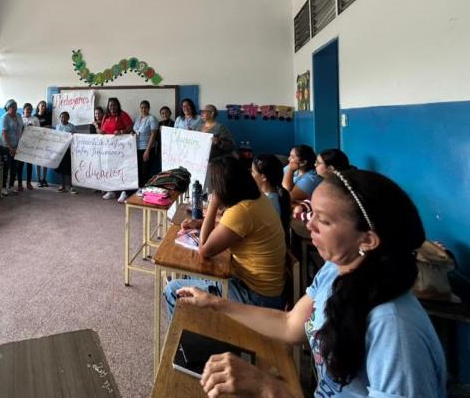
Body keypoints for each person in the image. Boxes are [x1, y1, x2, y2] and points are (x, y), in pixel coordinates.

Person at [177, 169, 447, 398]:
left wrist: (269, 388)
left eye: (324, 220)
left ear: (367, 240)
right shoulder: (335, 270)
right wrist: (216, 303)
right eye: (311, 212)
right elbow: (290, 325)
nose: (309, 225)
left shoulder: (394, 327)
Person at [163, 156, 286, 317]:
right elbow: (230, 227)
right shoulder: (256, 198)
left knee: (173, 290)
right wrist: (200, 223)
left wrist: (214, 203)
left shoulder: (241, 211)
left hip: (256, 298)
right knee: (190, 271)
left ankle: (193, 331)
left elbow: (204, 249)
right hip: (262, 288)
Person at [99, 97, 133, 201]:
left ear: (118, 105)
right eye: (110, 105)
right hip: (109, 149)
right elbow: (103, 130)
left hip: (121, 149)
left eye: (114, 105)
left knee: (122, 169)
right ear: (108, 107)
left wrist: (122, 132)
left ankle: (124, 192)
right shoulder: (106, 116)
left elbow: (130, 127)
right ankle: (112, 191)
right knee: (111, 169)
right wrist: (102, 132)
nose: (112, 107)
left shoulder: (123, 114)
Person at [250, 154, 291, 239]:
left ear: (263, 177)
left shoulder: (266, 202)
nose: (250, 174)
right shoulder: (277, 195)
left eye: (252, 172)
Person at [129, 100, 159, 202]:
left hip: (147, 148)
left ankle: (146, 193)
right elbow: (135, 130)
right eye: (142, 107)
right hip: (137, 148)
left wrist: (147, 151)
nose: (143, 109)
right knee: (139, 171)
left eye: (145, 107)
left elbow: (153, 135)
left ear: (149, 108)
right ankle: (141, 190)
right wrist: (132, 133)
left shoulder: (152, 119)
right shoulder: (139, 118)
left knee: (145, 171)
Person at [0, 99, 24, 194]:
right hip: (6, 146)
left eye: (16, 106)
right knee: (6, 167)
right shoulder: (5, 117)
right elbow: (4, 134)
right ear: (8, 108)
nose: (15, 108)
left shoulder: (19, 115)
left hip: (17, 146)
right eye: (12, 107)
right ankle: (3, 188)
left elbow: (21, 128)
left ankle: (11, 186)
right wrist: (10, 148)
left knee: (14, 167)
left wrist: (17, 147)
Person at [55, 112, 76, 194]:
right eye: (62, 117)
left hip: (68, 150)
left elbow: (75, 137)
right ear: (60, 118)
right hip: (60, 150)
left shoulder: (72, 126)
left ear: (68, 118)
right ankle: (62, 186)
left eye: (65, 117)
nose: (63, 119)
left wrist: (73, 135)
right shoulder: (57, 126)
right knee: (61, 169)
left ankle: (71, 186)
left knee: (69, 168)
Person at [21, 102, 40, 190]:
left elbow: (39, 131)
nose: (28, 111)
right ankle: (20, 183)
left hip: (31, 145)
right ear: (23, 110)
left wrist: (33, 127)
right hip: (21, 144)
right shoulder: (19, 118)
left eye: (30, 109)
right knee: (20, 165)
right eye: (27, 109)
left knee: (29, 165)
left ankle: (28, 183)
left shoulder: (35, 119)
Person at [34, 100, 52, 187]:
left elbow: (50, 126)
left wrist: (41, 127)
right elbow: (34, 128)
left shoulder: (48, 116)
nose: (43, 107)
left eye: (45, 106)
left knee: (45, 160)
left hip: (46, 140)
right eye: (42, 106)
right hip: (37, 141)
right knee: (37, 161)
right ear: (38, 106)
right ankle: (38, 180)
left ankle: (44, 179)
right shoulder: (35, 116)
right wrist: (43, 127)